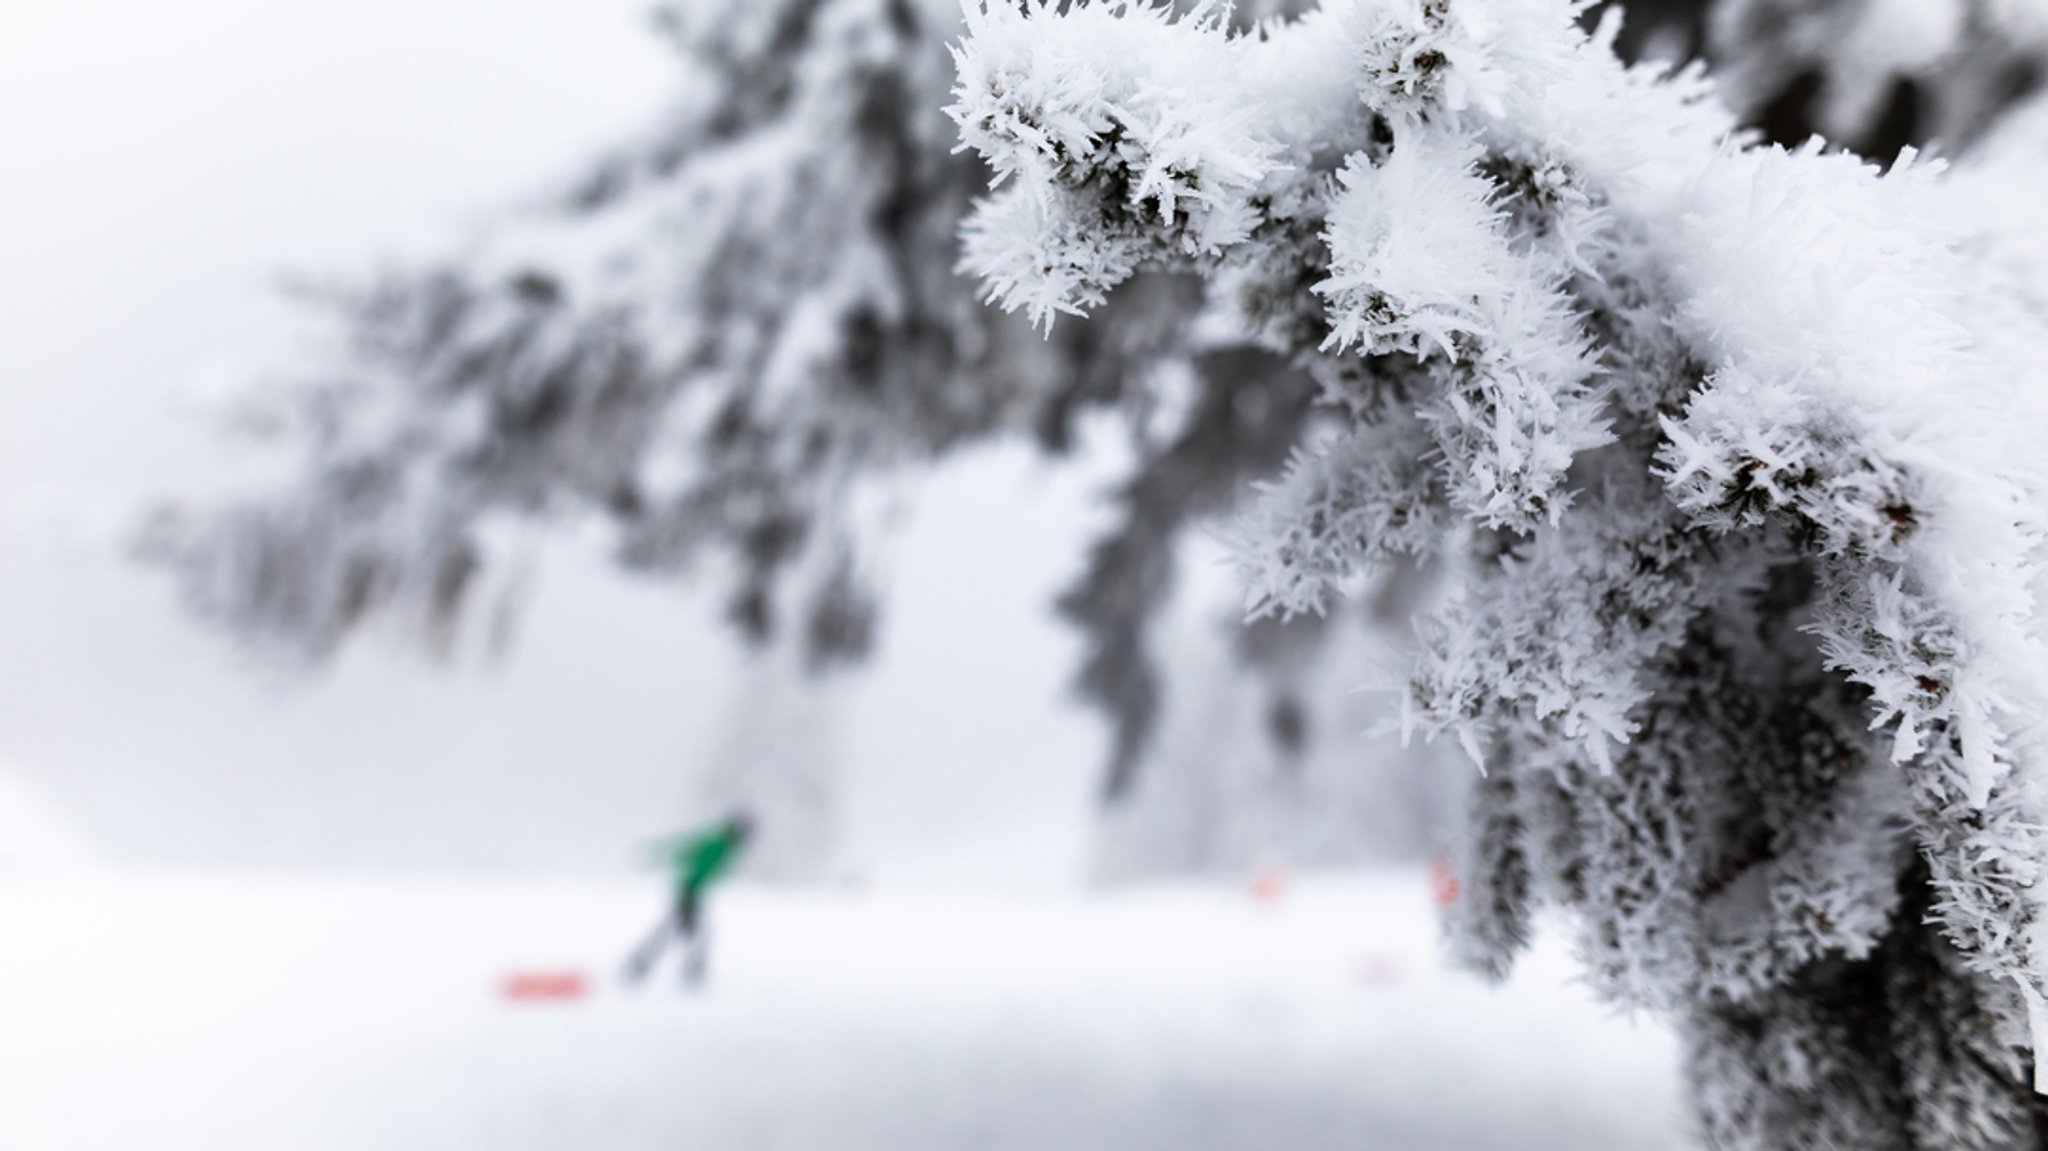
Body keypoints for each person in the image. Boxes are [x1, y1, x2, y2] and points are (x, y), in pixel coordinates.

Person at [622, 812, 753, 988]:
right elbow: (688, 858)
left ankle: (650, 964)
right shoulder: (717, 845)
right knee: (682, 930)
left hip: (692, 893)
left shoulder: (722, 846)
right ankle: (645, 964)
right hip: (689, 892)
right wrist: (688, 899)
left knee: (686, 930)